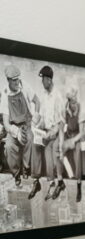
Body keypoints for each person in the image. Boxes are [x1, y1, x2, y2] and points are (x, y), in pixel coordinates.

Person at [1, 65, 34, 193]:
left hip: (26, 124)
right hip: (13, 127)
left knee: (29, 139)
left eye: (17, 79)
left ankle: (26, 168)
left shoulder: (24, 87)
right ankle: (16, 174)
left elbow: (36, 100)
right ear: (8, 80)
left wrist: (37, 114)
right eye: (13, 80)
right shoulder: (5, 96)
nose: (16, 82)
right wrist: (16, 132)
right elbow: (6, 123)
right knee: (9, 146)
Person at [34, 66, 64, 201]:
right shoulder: (44, 96)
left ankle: (59, 182)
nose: (42, 82)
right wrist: (37, 128)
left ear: (49, 80)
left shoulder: (57, 97)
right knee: (40, 148)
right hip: (46, 132)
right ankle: (50, 182)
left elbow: (59, 123)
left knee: (52, 151)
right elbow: (42, 118)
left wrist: (50, 134)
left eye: (43, 80)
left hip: (57, 133)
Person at [60, 88, 85, 202]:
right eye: (73, 102)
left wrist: (72, 141)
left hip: (78, 136)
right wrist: (62, 143)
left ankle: (79, 184)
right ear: (69, 102)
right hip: (69, 134)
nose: (75, 104)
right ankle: (62, 180)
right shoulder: (65, 110)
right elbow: (61, 129)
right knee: (60, 151)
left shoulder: (81, 110)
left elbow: (81, 133)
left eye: (76, 101)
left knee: (77, 153)